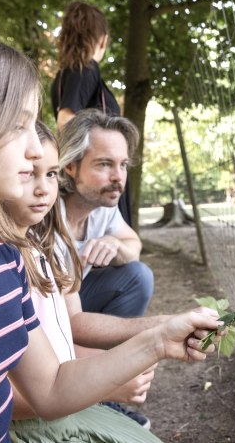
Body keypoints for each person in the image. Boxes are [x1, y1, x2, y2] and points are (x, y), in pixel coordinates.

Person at [0, 22, 222, 442]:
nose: (36, 148)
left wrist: (159, 340)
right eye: (17, 125)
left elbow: (51, 388)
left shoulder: (3, 262)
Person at [0, 121, 158, 441]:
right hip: (34, 417)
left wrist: (150, 341)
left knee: (138, 274)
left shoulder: (45, 247)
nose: (42, 188)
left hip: (56, 393)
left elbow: (69, 326)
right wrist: (105, 381)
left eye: (49, 174)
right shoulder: (5, 258)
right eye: (27, 173)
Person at [58, 108, 153, 319]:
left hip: (75, 295)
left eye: (123, 165)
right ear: (70, 166)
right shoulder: (44, 211)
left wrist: (115, 243)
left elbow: (133, 246)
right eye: (104, 164)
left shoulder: (103, 207)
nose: (118, 177)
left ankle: (106, 349)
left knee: (139, 275)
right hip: (41, 310)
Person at [51, 1, 132, 227]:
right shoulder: (85, 69)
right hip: (97, 179)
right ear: (103, 39)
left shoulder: (63, 75)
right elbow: (66, 122)